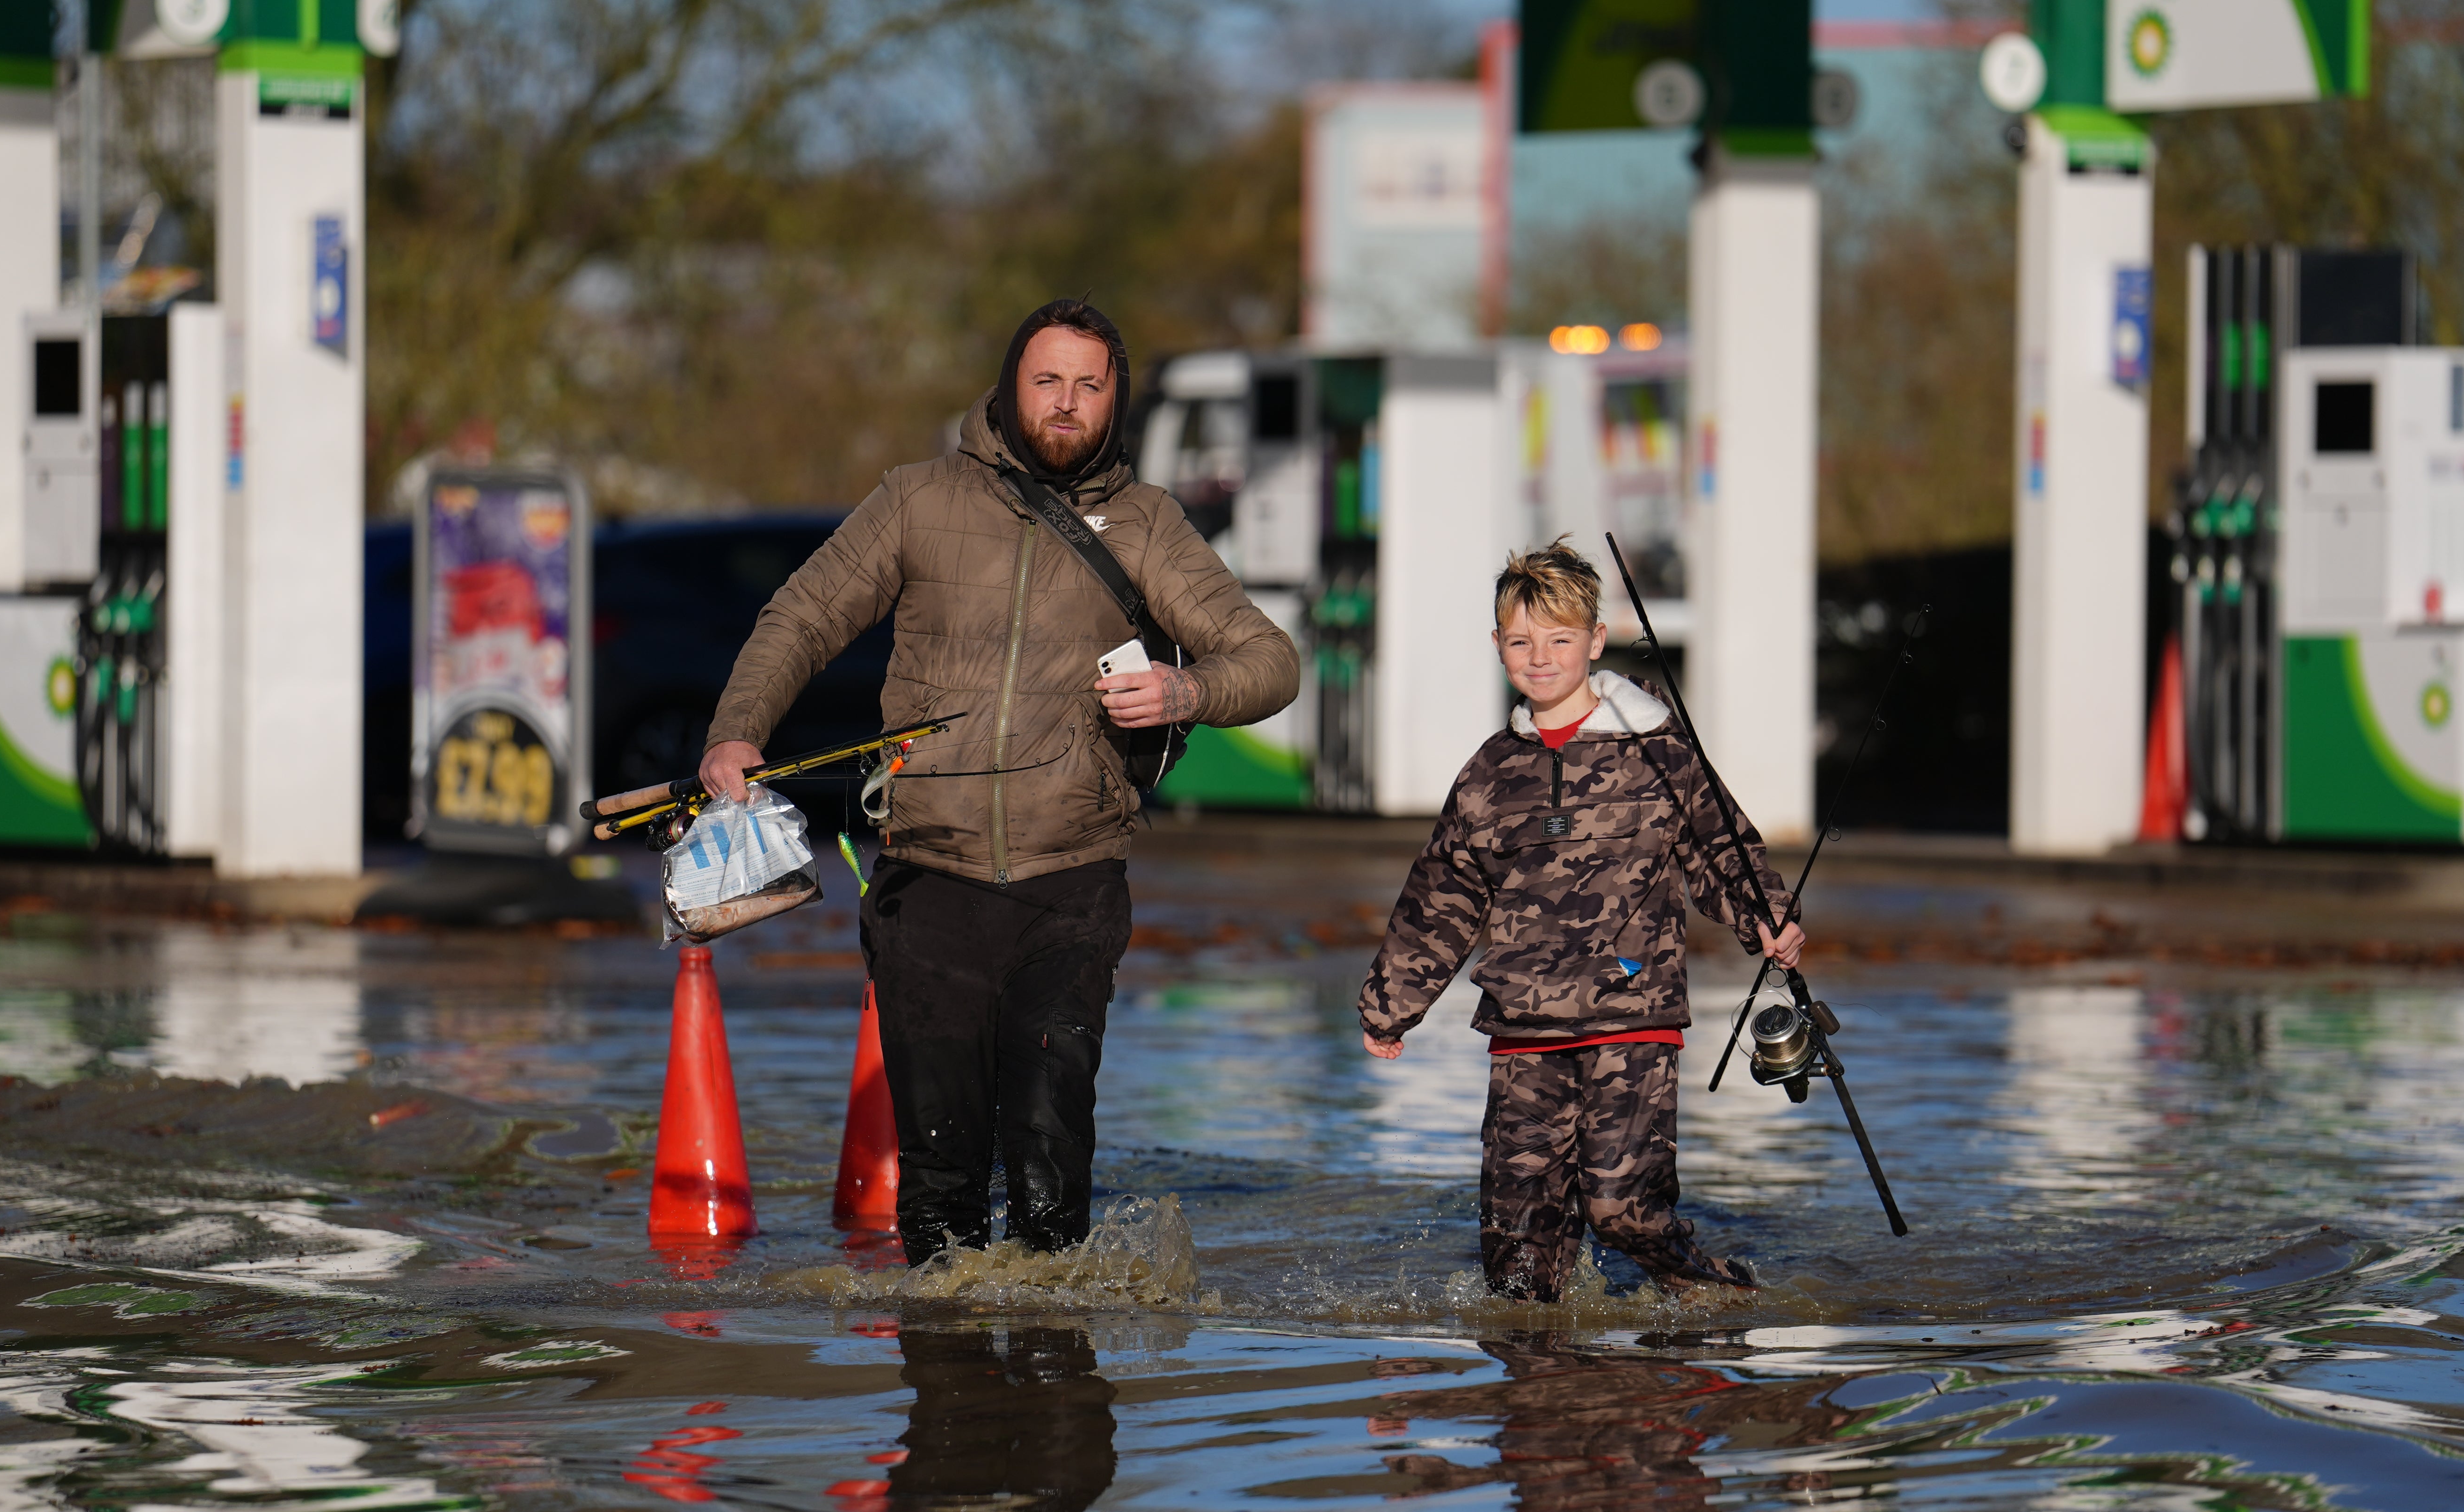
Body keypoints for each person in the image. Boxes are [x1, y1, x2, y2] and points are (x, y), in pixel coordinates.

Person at [698, 299, 1300, 1265]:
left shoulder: (1146, 524)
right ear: (1012, 386)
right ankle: (954, 1399)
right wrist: (736, 734)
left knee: (1050, 1150)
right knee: (940, 1184)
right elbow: (802, 616)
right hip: (929, 879)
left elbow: (1272, 661)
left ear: (1116, 400)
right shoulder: (917, 498)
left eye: (1088, 387)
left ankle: (1058, 1393)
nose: (1066, 404)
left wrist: (1188, 687)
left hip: (1073, 879)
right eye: (1047, 381)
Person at [1358, 538, 1804, 1302]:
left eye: (1560, 639)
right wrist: (1390, 1008)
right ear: (1497, 647)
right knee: (1516, 1259)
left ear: (1595, 641)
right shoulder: (1489, 772)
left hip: (1632, 1017)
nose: (1541, 658)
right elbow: (1443, 894)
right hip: (1523, 1030)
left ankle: (1722, 1300)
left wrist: (1765, 919)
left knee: (1623, 1211)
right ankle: (1545, 1400)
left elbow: (1721, 848)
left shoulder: (1660, 751)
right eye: (1522, 642)